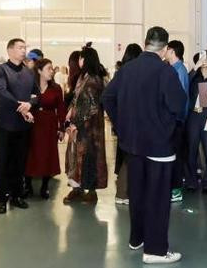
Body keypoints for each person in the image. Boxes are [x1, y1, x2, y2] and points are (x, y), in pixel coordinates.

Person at [102, 26, 187, 264]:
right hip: (159, 145)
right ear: (166, 48)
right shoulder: (165, 71)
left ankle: (137, 238)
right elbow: (178, 105)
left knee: (137, 193)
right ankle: (155, 250)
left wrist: (122, 125)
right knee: (158, 198)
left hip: (132, 143)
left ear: (145, 42)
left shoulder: (127, 69)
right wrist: (165, 124)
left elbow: (107, 97)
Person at [0, 38, 39, 214]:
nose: (23, 50)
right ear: (10, 50)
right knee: (3, 162)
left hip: (23, 126)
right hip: (4, 124)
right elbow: (2, 92)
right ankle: (2, 198)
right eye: (20, 47)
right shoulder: (0, 70)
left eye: (24, 47)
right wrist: (22, 107)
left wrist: (30, 104)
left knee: (20, 162)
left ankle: (17, 195)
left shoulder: (29, 72)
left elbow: (37, 94)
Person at [63, 45, 108, 205]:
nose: (79, 61)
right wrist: (70, 113)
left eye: (81, 58)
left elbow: (91, 107)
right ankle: (77, 188)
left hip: (90, 128)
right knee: (75, 156)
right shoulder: (83, 77)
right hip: (79, 126)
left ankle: (91, 191)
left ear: (86, 59)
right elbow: (76, 99)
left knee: (90, 157)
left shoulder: (94, 80)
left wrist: (75, 122)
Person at [24, 58, 66, 199]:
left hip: (49, 125)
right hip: (32, 124)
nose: (52, 71)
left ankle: (45, 186)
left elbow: (61, 109)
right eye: (48, 68)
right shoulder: (30, 87)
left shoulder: (56, 88)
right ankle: (27, 184)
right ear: (39, 71)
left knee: (48, 154)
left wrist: (62, 128)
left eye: (52, 68)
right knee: (30, 154)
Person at [185, 50, 207, 193]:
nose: (204, 60)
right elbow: (184, 83)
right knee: (191, 149)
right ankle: (191, 181)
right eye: (201, 58)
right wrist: (195, 68)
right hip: (193, 115)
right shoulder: (193, 77)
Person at [114, 43, 143, 205]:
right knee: (131, 158)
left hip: (122, 121)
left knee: (125, 156)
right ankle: (124, 193)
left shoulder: (121, 72)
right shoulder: (136, 74)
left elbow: (110, 97)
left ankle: (124, 191)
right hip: (134, 122)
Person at [165, 40, 189, 203]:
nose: (165, 52)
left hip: (176, 120)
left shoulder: (179, 70)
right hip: (172, 120)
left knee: (176, 156)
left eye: (167, 49)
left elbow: (179, 99)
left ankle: (176, 189)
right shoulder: (172, 69)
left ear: (172, 51)